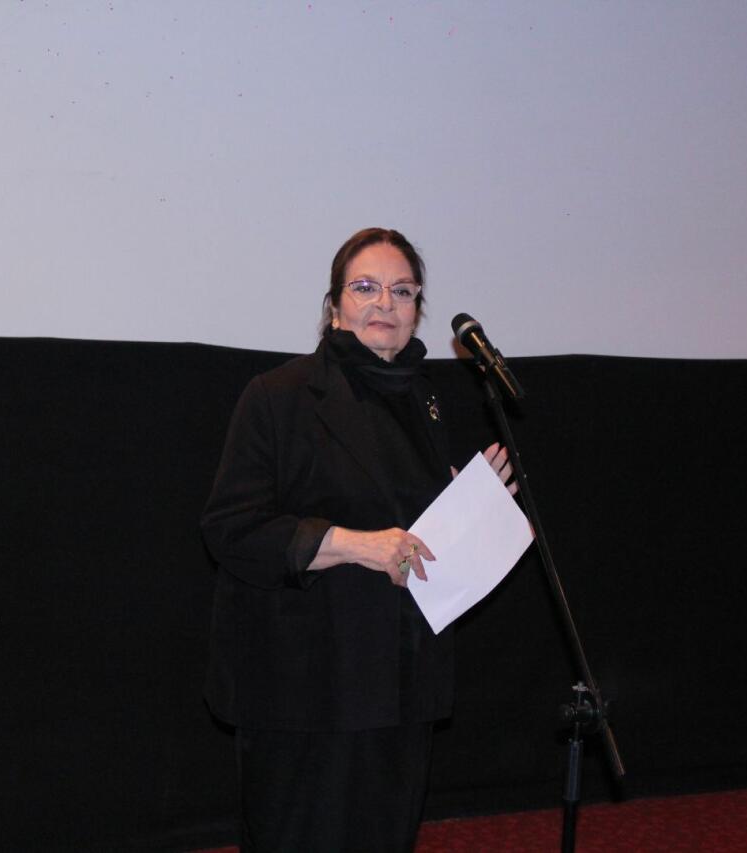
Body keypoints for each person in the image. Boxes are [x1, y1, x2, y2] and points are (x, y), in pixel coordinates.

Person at [201, 227, 515, 852]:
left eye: (403, 291)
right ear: (335, 306)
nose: (384, 304)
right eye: (366, 287)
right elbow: (231, 528)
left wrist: (468, 515)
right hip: (306, 686)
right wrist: (353, 544)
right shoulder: (279, 395)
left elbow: (411, 536)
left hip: (400, 682)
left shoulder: (426, 401)